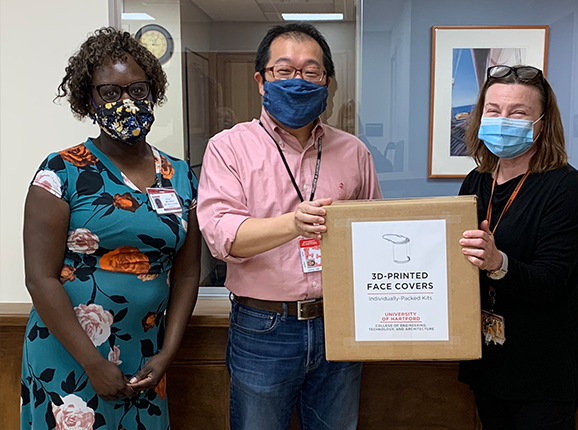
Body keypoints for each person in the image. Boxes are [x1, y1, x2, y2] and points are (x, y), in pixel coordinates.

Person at [197, 23, 382, 430]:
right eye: (284, 70)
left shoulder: (353, 152)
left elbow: (376, 237)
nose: (298, 80)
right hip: (263, 326)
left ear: (327, 82)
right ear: (261, 81)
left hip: (340, 321)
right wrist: (292, 224)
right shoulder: (228, 147)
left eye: (310, 71)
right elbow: (222, 237)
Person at [21, 28, 201, 429]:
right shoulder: (60, 172)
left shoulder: (181, 175)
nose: (126, 102)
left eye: (138, 90)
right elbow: (40, 278)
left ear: (153, 92)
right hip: (69, 354)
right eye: (109, 93)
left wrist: (167, 353)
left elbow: (188, 272)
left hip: (145, 354)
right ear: (89, 100)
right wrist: (93, 364)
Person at [458, 64, 578, 429]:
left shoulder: (566, 186)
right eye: (494, 110)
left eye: (518, 112)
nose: (503, 120)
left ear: (542, 123)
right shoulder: (476, 181)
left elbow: (551, 281)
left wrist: (497, 262)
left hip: (542, 369)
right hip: (489, 358)